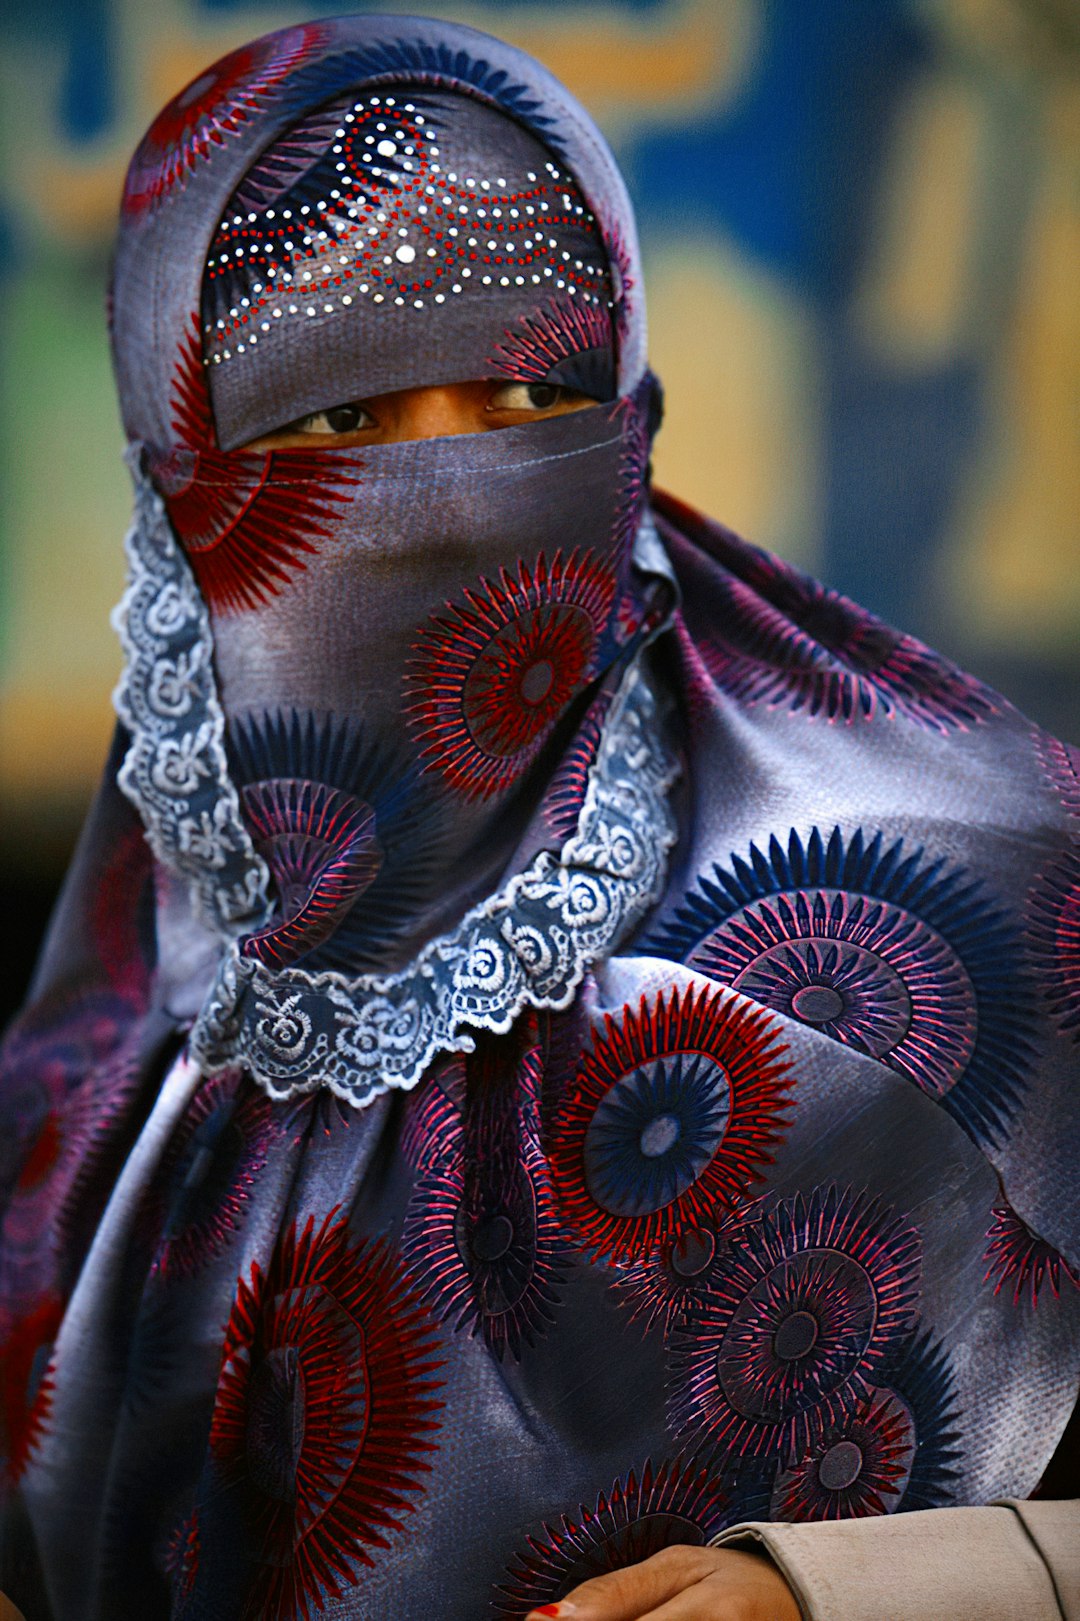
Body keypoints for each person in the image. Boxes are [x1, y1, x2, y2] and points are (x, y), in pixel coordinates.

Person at [0, 15, 1076, 1621]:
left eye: (521, 389)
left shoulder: (946, 914)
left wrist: (842, 1593)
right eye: (338, 425)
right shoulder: (100, 1074)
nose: (451, 501)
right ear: (181, 484)